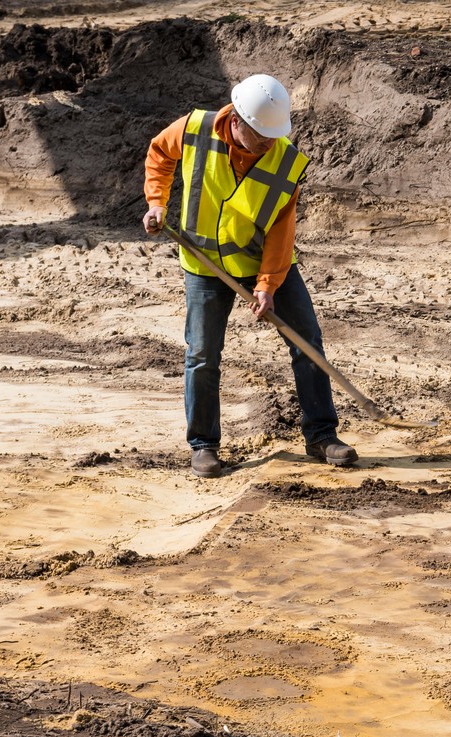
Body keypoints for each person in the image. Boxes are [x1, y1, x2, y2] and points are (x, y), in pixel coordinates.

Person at [141, 73, 357, 478]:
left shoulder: (285, 159)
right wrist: (157, 202)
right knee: (202, 355)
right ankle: (203, 445)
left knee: (306, 340)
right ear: (236, 121)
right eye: (261, 138)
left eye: (272, 138)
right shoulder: (194, 129)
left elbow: (281, 230)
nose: (268, 146)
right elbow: (158, 154)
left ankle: (322, 435)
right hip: (204, 262)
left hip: (264, 260)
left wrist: (267, 285)